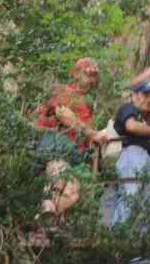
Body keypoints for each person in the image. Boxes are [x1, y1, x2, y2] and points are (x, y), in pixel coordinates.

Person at [35, 57, 108, 218]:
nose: (91, 80)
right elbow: (63, 114)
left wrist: (96, 135)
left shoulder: (83, 102)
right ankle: (45, 210)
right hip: (56, 147)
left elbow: (87, 135)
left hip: (71, 154)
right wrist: (93, 134)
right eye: (88, 75)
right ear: (75, 74)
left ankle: (48, 220)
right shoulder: (65, 92)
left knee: (72, 192)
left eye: (94, 76)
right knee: (58, 179)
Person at [111, 80, 150, 225]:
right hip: (132, 155)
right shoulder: (128, 108)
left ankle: (142, 243)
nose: (149, 100)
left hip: (145, 160)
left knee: (147, 205)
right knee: (130, 197)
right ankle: (117, 238)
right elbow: (131, 126)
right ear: (134, 95)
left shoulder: (141, 118)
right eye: (145, 95)